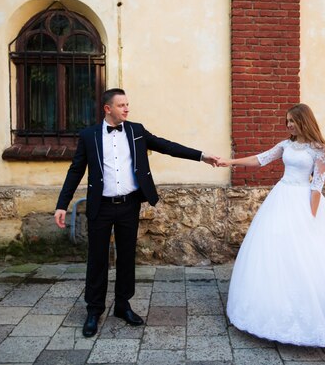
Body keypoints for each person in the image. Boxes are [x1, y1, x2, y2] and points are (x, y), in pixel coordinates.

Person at [54, 88, 219, 337]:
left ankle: (122, 305)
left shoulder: (136, 131)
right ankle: (94, 310)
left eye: (128, 104)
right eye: (122, 105)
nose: (127, 109)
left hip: (129, 205)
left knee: (127, 257)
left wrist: (201, 156)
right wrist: (62, 204)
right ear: (107, 109)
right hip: (101, 207)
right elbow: (76, 170)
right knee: (97, 259)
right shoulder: (89, 136)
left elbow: (166, 146)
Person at [218, 103, 325, 346]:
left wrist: (310, 216)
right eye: (287, 122)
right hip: (281, 197)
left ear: (304, 121)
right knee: (274, 250)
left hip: (303, 201)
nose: (288, 126)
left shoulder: (319, 149)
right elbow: (261, 159)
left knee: (306, 253)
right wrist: (230, 162)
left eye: (292, 121)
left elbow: (317, 185)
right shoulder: (286, 145)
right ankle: (272, 303)